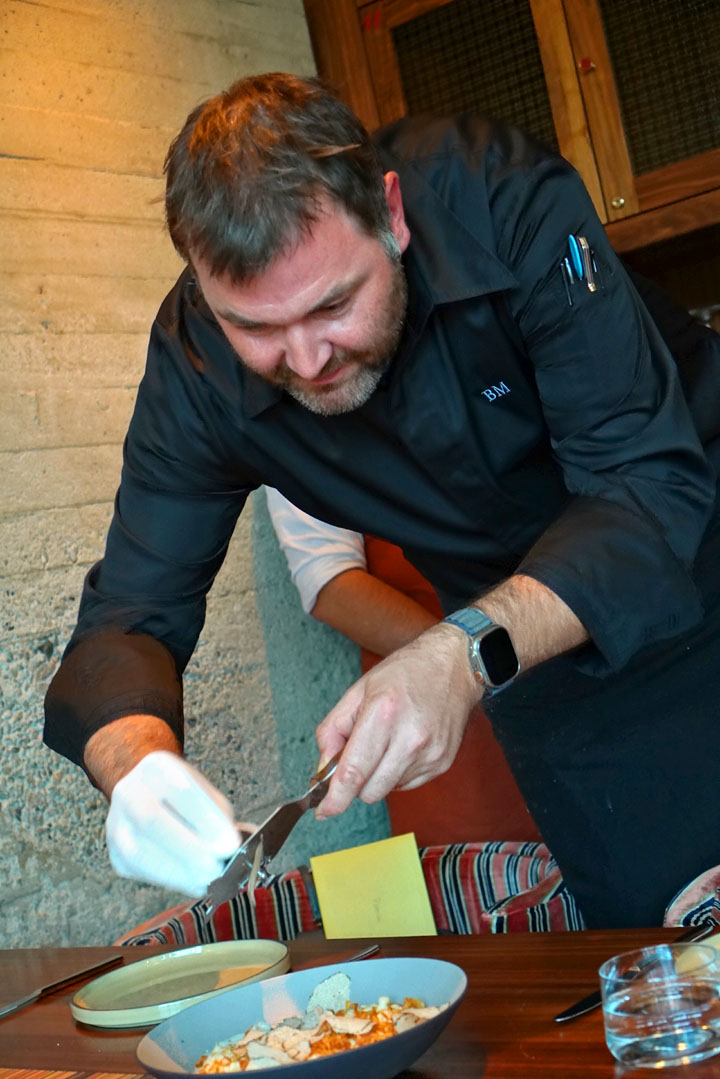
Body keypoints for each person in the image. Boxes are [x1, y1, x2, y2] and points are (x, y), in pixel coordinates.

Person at [43, 72, 720, 928]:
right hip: (543, 667)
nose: (307, 358)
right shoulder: (194, 368)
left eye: (334, 304)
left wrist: (458, 651)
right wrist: (133, 763)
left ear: (391, 215)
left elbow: (643, 482)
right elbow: (127, 616)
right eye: (254, 327)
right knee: (663, 970)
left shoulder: (501, 198)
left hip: (695, 546)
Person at [265, 486, 541, 844]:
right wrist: (460, 659)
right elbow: (330, 584)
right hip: (443, 707)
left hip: (562, 656)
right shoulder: (287, 436)